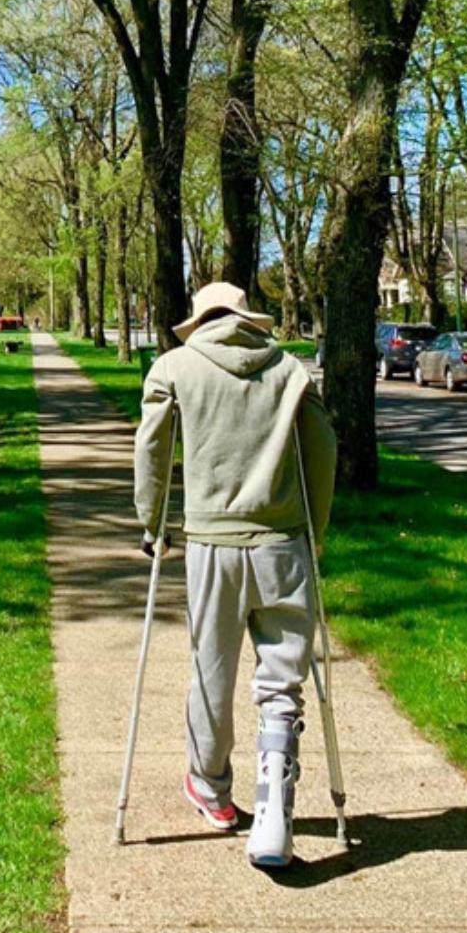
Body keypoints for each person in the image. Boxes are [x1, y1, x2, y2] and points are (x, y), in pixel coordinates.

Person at [133, 281, 337, 867]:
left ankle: (212, 788)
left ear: (200, 322)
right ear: (248, 319)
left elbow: (151, 449)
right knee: (282, 681)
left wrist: (152, 524)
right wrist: (313, 530)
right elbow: (322, 446)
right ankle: (274, 802)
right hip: (282, 543)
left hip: (211, 546)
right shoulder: (289, 371)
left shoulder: (174, 367)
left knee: (211, 668)